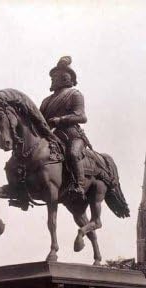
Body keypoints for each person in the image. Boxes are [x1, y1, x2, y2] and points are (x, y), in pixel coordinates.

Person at [40, 56, 91, 201]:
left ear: (65, 78)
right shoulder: (46, 101)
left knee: (73, 153)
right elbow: (40, 120)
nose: (52, 79)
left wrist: (60, 119)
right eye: (52, 77)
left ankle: (80, 186)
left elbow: (82, 117)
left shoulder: (75, 94)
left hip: (73, 136)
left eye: (55, 77)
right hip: (54, 136)